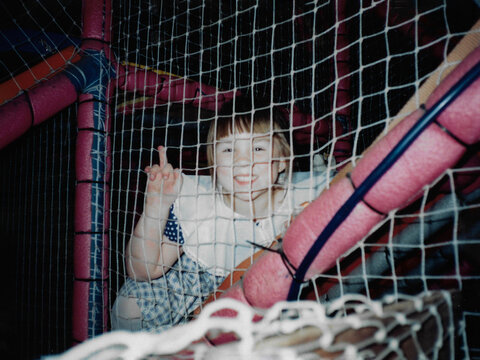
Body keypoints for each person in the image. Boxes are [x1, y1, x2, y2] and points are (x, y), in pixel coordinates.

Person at [111, 96, 333, 331]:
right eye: (228, 149)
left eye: (257, 148)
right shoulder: (200, 202)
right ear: (214, 162)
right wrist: (157, 205)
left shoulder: (303, 197)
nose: (242, 161)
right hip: (201, 288)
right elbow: (142, 271)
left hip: (273, 292)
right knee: (129, 307)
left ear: (281, 162)